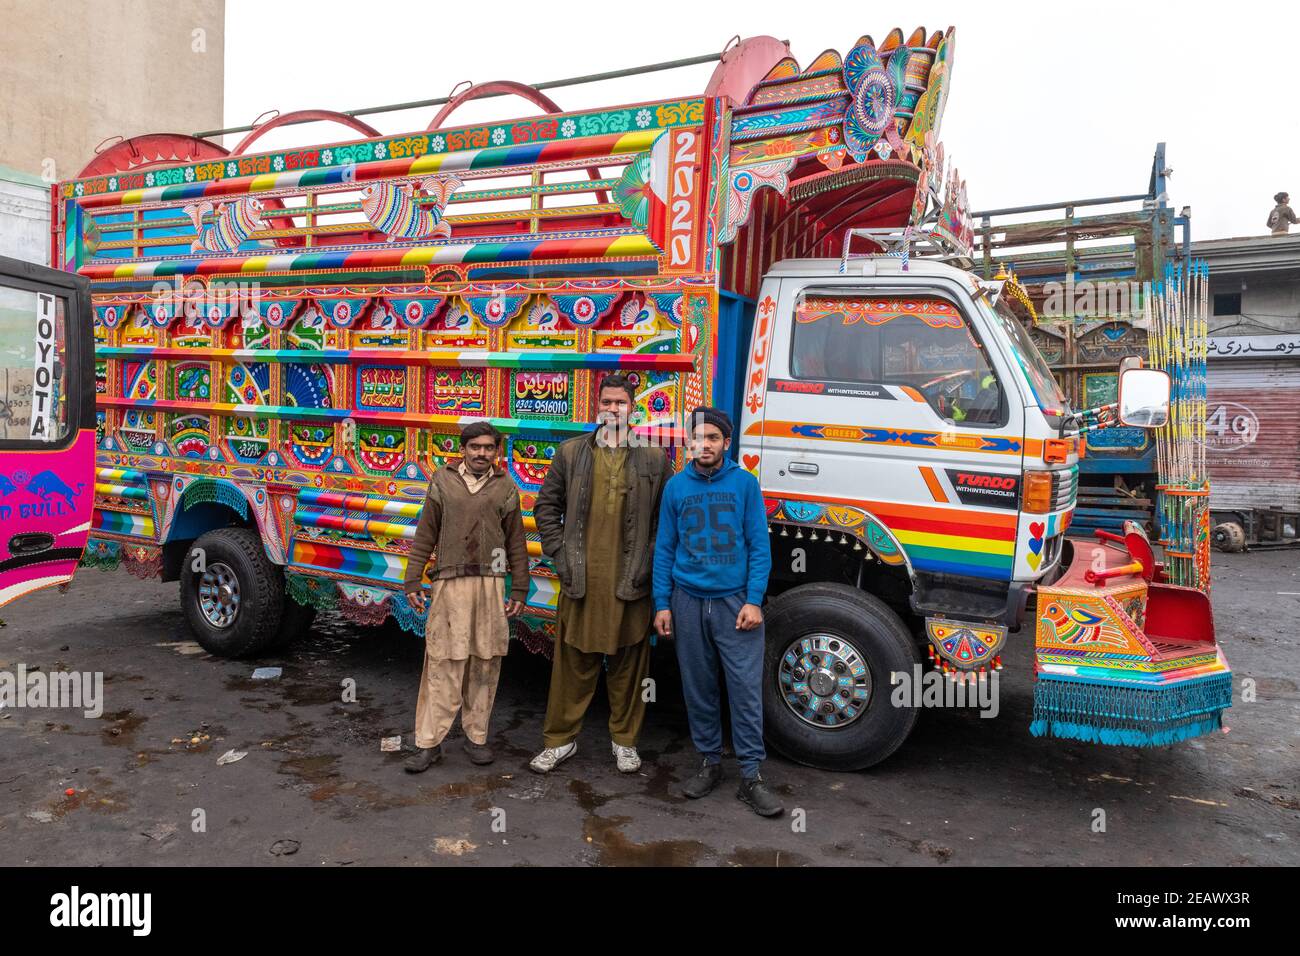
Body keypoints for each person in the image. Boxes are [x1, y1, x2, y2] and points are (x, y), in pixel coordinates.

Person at [529, 373, 670, 774]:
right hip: (581, 581)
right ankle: (559, 741)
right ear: (597, 406)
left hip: (631, 584)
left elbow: (666, 521)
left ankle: (625, 742)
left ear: (632, 408)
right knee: (572, 665)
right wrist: (560, 553)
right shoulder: (571, 453)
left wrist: (649, 560)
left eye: (620, 403)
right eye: (606, 402)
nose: (613, 409)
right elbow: (546, 508)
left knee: (629, 668)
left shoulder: (654, 459)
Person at [652, 406, 782, 817]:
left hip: (734, 603)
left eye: (713, 438)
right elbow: (665, 548)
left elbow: (759, 547)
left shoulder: (745, 485)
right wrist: (662, 603)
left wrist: (753, 600)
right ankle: (709, 762)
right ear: (688, 442)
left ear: (727, 443)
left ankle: (751, 776)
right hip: (687, 601)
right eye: (697, 438)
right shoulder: (675, 487)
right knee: (699, 688)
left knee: (744, 690)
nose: (704, 445)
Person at [401, 421, 528, 772]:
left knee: (485, 661)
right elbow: (426, 533)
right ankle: (429, 743)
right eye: (475, 447)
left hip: (490, 584)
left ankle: (477, 738)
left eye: (489, 448)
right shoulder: (443, 481)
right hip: (449, 583)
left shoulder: (505, 487)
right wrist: (413, 581)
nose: (482, 454)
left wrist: (519, 587)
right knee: (442, 660)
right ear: (463, 449)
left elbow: (516, 542)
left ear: (496, 452)